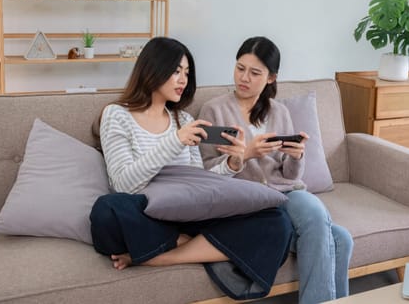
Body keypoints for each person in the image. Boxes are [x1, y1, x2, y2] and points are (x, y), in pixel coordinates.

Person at [89, 36, 292, 300]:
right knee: (106, 211)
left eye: (186, 73)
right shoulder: (117, 114)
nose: (183, 80)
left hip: (190, 212)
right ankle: (200, 244)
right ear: (153, 69)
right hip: (148, 211)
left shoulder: (183, 119)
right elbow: (124, 184)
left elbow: (201, 182)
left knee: (277, 222)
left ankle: (159, 256)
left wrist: (232, 163)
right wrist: (175, 142)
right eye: (176, 71)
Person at [199, 36, 354, 303]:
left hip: (286, 194)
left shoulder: (278, 111)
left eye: (254, 72)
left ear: (271, 78)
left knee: (339, 235)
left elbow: (291, 176)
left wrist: (297, 156)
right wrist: (246, 155)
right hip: (248, 200)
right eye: (240, 68)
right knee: (338, 239)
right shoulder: (214, 110)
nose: (244, 77)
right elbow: (206, 173)